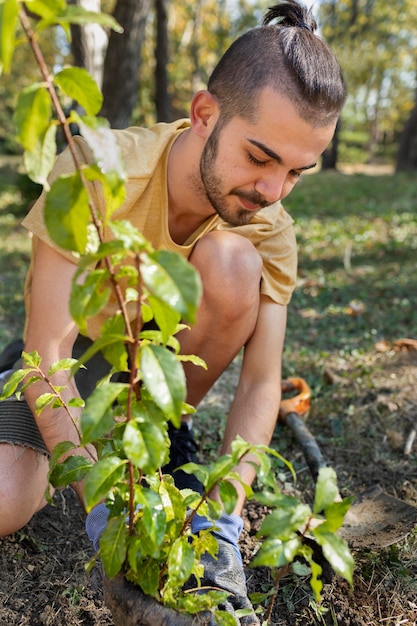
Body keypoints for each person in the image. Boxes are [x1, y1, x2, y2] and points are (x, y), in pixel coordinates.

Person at [0, 1, 346, 623]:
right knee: (4, 502)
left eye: (297, 172)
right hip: (73, 357)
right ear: (204, 113)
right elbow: (45, 351)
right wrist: (102, 501)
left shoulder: (270, 228)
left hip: (159, 375)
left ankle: (165, 436)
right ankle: (106, 451)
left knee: (236, 264)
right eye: (260, 157)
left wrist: (223, 517)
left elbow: (263, 383)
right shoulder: (99, 171)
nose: (273, 190)